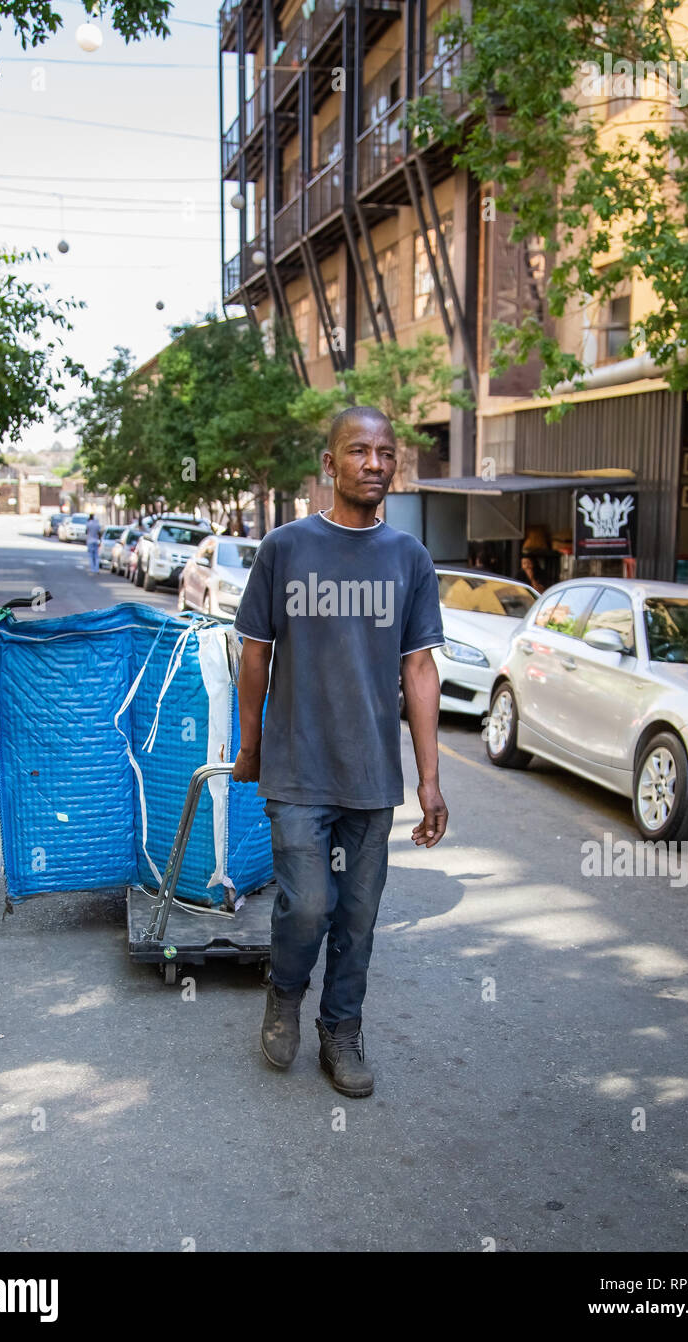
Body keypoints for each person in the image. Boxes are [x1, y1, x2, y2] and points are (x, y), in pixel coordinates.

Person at [232, 406, 449, 1098]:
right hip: (298, 768)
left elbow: (419, 669)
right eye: (359, 451)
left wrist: (430, 780)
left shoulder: (409, 559)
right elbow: (255, 654)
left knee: (359, 914)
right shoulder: (286, 548)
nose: (376, 464)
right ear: (330, 464)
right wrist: (252, 744)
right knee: (306, 904)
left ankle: (342, 1027)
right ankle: (285, 993)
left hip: (371, 775)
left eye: (386, 453)